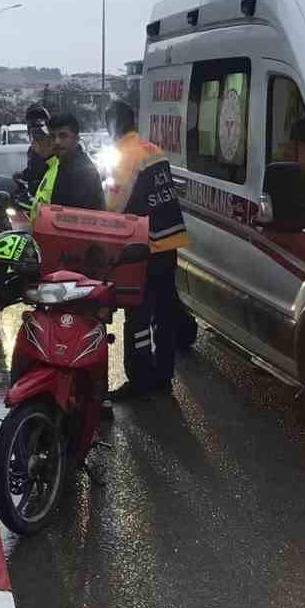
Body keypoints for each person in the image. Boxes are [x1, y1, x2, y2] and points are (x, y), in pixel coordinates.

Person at [104, 99, 189, 399]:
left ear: (111, 126)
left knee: (138, 313)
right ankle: (163, 378)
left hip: (146, 245)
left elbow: (115, 204)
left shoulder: (124, 157)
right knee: (165, 313)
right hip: (171, 239)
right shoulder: (153, 149)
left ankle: (139, 380)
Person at [30, 110, 106, 219]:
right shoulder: (64, 165)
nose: (57, 141)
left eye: (63, 136)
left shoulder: (81, 172)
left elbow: (75, 221)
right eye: (53, 136)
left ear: (77, 139)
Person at [15, 105, 52, 198]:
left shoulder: (53, 151)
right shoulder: (32, 150)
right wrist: (23, 175)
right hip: (35, 197)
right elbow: (33, 169)